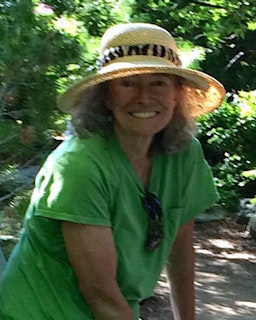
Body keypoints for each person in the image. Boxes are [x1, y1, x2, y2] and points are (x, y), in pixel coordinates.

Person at [0, 23, 225, 320]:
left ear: (177, 94)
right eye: (128, 83)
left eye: (158, 82)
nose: (144, 97)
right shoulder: (79, 166)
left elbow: (181, 250)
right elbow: (100, 293)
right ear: (105, 96)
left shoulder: (183, 154)